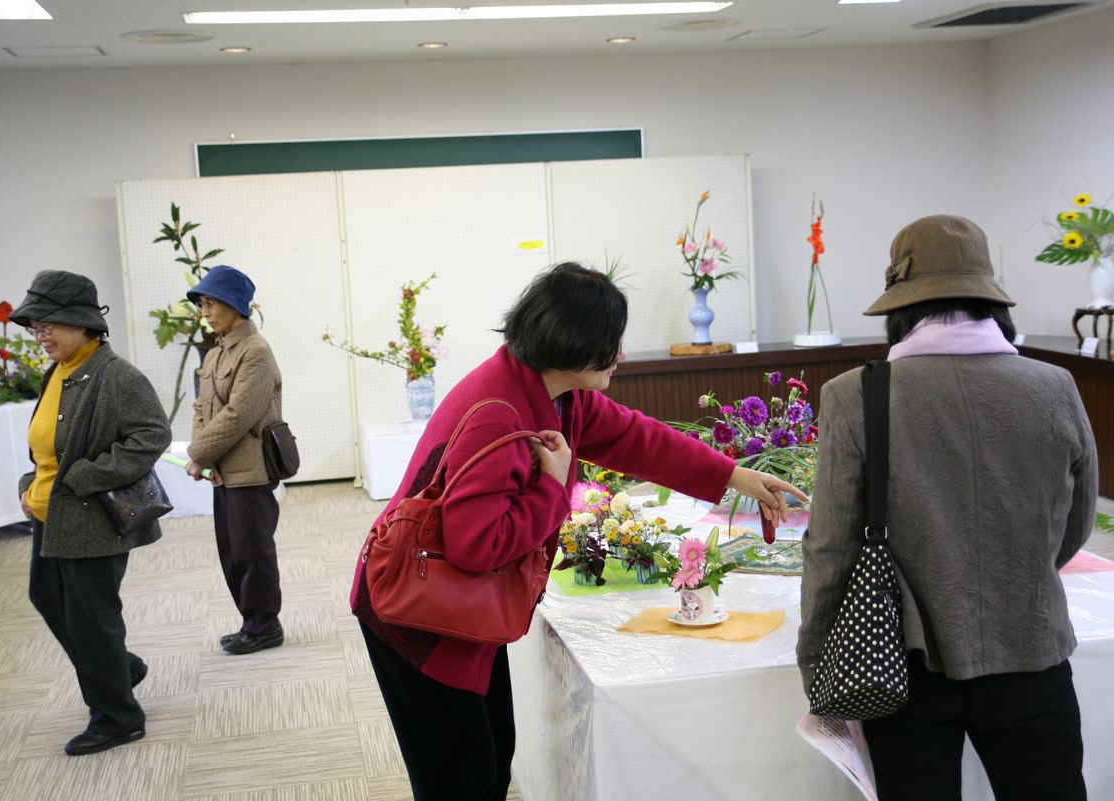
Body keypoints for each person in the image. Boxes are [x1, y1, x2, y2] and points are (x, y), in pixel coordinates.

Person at [350, 261, 807, 801]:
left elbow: (642, 439)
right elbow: (478, 546)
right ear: (574, 342)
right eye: (613, 342)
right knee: (461, 781)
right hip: (417, 617)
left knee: (490, 765)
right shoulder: (500, 412)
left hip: (456, 606)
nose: (623, 354)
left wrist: (735, 476)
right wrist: (552, 483)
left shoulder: (555, 394)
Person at [797, 215, 1097, 801]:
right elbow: (1076, 522)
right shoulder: (1056, 385)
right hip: (1032, 652)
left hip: (904, 666)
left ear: (899, 308)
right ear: (992, 302)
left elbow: (830, 548)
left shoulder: (855, 394)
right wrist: (1017, 572)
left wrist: (817, 664)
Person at [12, 270, 171, 756]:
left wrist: (85, 476)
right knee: (49, 599)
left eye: (47, 326)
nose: (40, 337)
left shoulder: (117, 375)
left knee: (90, 618)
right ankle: (120, 670)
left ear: (81, 324)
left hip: (88, 521)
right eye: (35, 328)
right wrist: (29, 485)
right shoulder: (58, 371)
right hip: (49, 516)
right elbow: (47, 444)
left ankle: (118, 718)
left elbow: (152, 435)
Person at [185, 265, 286, 655]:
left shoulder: (255, 351)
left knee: (251, 551)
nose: (205, 311)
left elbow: (239, 414)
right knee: (231, 551)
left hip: (250, 469)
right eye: (202, 304)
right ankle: (251, 622)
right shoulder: (216, 351)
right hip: (222, 470)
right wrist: (203, 457)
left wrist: (197, 454)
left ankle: (265, 625)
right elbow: (201, 407)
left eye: (212, 303)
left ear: (235, 305)